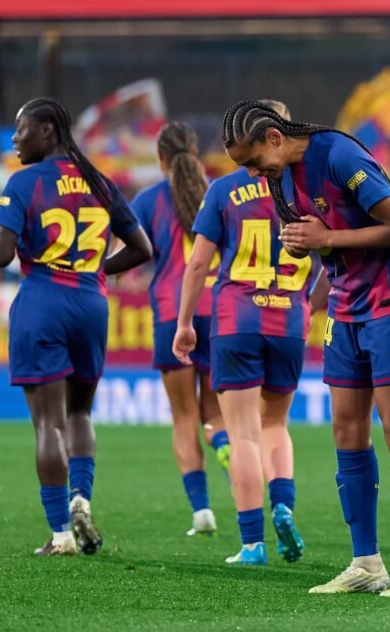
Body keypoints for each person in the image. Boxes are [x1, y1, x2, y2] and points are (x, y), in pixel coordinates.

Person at [221, 99, 390, 598]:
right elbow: (328, 245)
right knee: (346, 430)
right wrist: (313, 263)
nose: (253, 174)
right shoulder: (279, 179)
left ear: (274, 138)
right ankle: (367, 563)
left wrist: (328, 236)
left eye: (253, 161)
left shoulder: (341, 155)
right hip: (347, 306)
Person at [0, 98, 151, 557]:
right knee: (80, 414)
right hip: (91, 303)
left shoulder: (24, 182)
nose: (15, 138)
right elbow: (142, 248)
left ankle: (60, 532)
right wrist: (98, 268)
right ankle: (82, 496)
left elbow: (1, 256)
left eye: (21, 130)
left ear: (45, 131)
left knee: (48, 424)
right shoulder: (99, 181)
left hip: (43, 300)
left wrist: (11, 226)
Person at [175, 101, 313, 567]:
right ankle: (283, 506)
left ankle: (253, 543)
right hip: (290, 318)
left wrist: (184, 323)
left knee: (244, 434)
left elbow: (198, 263)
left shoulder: (224, 190)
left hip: (237, 319)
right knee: (276, 425)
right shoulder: (307, 187)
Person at [132, 122, 230, 540]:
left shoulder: (150, 199)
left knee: (183, 417)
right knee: (215, 414)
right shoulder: (222, 194)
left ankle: (202, 510)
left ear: (161, 158)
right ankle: (227, 450)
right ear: (195, 151)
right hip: (221, 312)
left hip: (175, 312)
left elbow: (135, 252)